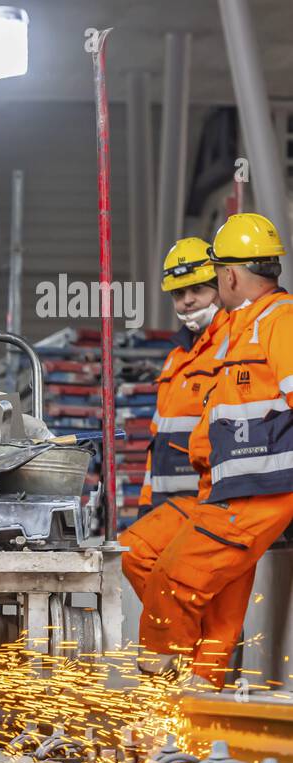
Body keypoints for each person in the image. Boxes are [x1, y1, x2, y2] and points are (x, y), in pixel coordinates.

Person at [138, 213, 293, 688]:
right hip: (224, 490)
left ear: (227, 275)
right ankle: (193, 695)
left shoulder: (278, 320)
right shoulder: (247, 327)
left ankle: (174, 695)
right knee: (147, 558)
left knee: (173, 583)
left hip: (259, 491)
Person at [121, 237, 237, 677]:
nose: (188, 301)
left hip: (215, 504)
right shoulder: (176, 358)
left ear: (219, 287)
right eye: (179, 294)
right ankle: (180, 675)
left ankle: (203, 712)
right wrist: (147, 505)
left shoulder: (230, 344)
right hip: (172, 507)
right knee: (136, 555)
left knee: (219, 620)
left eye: (199, 291)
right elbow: (161, 438)